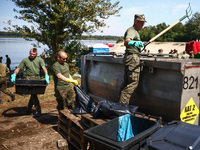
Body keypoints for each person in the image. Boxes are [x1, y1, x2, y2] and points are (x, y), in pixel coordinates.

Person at [11, 48, 49, 117]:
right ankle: (39, 110)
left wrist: (46, 75)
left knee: (33, 95)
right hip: (28, 79)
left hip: (36, 78)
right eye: (30, 54)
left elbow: (44, 69)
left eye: (33, 54)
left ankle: (28, 110)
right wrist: (14, 74)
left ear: (36, 54)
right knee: (33, 94)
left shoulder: (39, 60)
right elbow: (18, 69)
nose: (31, 55)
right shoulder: (25, 60)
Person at [118, 14, 146, 105]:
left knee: (126, 83)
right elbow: (126, 42)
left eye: (143, 23)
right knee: (133, 83)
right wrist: (136, 43)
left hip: (130, 57)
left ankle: (119, 105)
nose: (142, 25)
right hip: (133, 58)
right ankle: (123, 106)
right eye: (141, 23)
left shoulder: (135, 31)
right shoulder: (132, 30)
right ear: (135, 22)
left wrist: (138, 44)